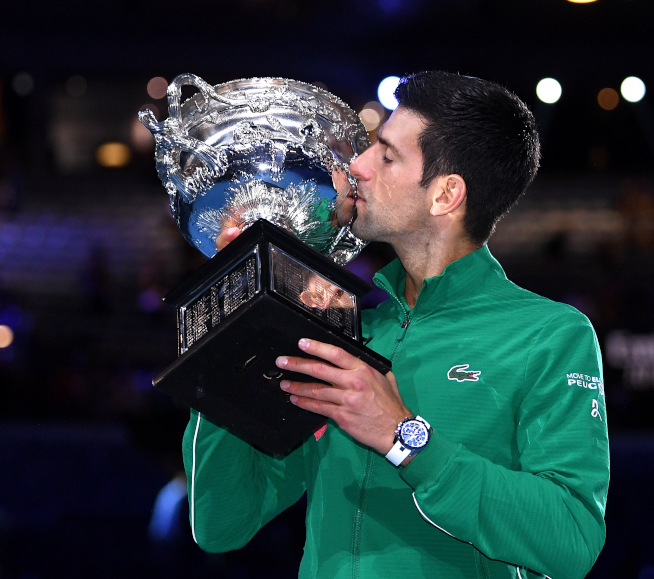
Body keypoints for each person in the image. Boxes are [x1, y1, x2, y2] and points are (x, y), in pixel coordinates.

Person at [186, 71, 609, 579]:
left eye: (386, 156)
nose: (358, 166)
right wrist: (238, 321)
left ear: (445, 194)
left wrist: (402, 436)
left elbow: (571, 539)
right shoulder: (339, 328)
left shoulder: (549, 335)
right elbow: (221, 524)